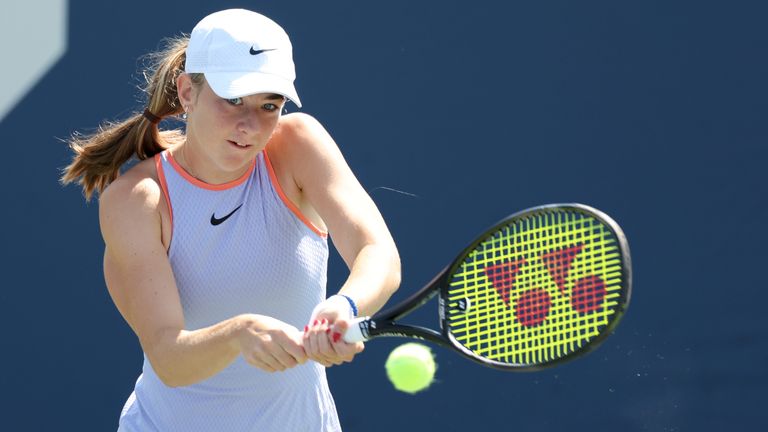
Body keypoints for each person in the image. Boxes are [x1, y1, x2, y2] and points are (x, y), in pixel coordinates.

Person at [60, 9, 401, 432]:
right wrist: (240, 332)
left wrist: (344, 305)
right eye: (233, 100)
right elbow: (169, 358)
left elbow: (377, 252)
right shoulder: (137, 200)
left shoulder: (298, 145)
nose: (249, 125)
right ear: (187, 92)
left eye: (269, 105)